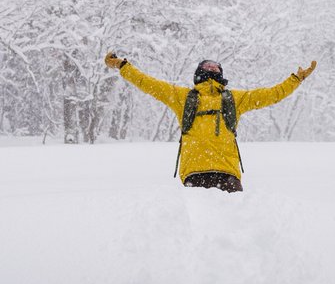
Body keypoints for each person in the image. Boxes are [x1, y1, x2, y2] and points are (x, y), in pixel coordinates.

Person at [104, 53, 317, 192]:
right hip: (222, 175)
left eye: (215, 67)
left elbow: (146, 83)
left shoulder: (189, 97)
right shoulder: (228, 98)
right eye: (210, 67)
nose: (212, 69)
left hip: (204, 175)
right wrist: (295, 80)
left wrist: (122, 65)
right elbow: (272, 95)